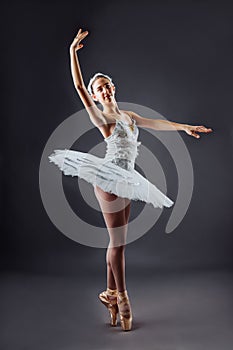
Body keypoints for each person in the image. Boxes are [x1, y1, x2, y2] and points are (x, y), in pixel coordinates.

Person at [48, 28, 213, 331]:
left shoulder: (129, 116)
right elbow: (78, 88)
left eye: (107, 84)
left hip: (128, 177)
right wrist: (72, 51)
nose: (105, 90)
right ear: (96, 96)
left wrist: (185, 126)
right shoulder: (102, 117)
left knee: (118, 242)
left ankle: (110, 294)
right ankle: (122, 297)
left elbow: (157, 123)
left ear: (113, 87)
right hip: (109, 175)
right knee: (118, 242)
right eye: (99, 88)